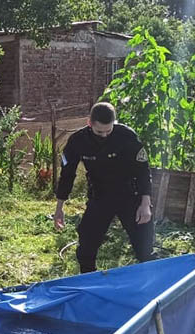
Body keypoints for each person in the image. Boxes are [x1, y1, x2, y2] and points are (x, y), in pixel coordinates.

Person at [53, 101, 153, 273]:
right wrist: (59, 207)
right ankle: (89, 280)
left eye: (108, 131)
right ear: (89, 123)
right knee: (86, 246)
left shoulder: (127, 136)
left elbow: (143, 170)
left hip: (130, 195)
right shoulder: (77, 141)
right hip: (100, 195)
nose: (104, 135)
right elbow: (67, 175)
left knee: (144, 247)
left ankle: (151, 281)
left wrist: (145, 204)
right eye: (99, 131)